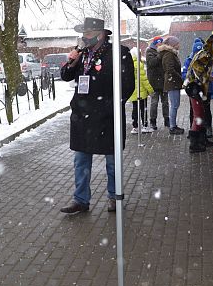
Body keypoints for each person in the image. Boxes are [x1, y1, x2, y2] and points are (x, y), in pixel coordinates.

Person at [59, 17, 134, 214]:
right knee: (81, 161)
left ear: (101, 34)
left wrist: (108, 107)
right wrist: (71, 61)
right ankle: (80, 200)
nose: (85, 37)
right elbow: (65, 76)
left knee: (112, 161)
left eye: (89, 33)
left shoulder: (119, 53)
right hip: (82, 117)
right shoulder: (82, 54)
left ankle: (114, 197)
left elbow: (127, 86)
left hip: (107, 118)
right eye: (84, 33)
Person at [184, 35, 213, 152]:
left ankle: (202, 140)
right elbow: (197, 71)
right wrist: (208, 77)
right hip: (194, 88)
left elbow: (202, 72)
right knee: (198, 115)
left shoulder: (208, 54)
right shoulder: (204, 55)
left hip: (199, 87)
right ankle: (194, 144)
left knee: (201, 114)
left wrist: (208, 76)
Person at [158, 36, 184, 135]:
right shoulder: (169, 54)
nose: (179, 45)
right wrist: (180, 78)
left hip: (173, 82)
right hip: (172, 83)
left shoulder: (170, 54)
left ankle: (173, 125)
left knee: (175, 105)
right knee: (174, 105)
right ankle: (172, 127)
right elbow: (170, 69)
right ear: (173, 45)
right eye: (177, 43)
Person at [146, 36, 169, 130]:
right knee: (154, 103)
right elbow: (152, 63)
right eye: (159, 43)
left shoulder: (164, 51)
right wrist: (160, 55)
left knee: (165, 103)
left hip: (164, 81)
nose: (160, 44)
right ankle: (153, 121)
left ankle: (167, 120)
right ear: (155, 43)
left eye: (161, 43)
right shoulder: (149, 51)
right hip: (154, 82)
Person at [129, 47, 154, 134]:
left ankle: (135, 126)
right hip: (141, 91)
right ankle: (145, 126)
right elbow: (144, 79)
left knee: (135, 109)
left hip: (133, 91)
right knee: (143, 109)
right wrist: (150, 90)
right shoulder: (139, 64)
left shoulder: (130, 64)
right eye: (139, 54)